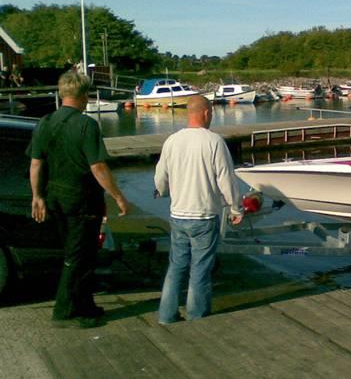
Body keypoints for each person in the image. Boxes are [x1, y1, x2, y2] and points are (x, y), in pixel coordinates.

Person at [28, 70, 129, 328]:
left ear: (62, 94)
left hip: (55, 197)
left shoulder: (45, 122)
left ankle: (86, 305)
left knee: (77, 252)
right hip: (82, 200)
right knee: (78, 257)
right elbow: (98, 167)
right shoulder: (87, 125)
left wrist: (37, 196)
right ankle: (64, 312)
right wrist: (117, 195)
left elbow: (36, 163)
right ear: (84, 96)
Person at [154, 95, 243, 324]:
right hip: (204, 216)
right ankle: (196, 316)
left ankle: (166, 315)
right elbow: (226, 180)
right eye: (211, 113)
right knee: (200, 270)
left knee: (176, 267)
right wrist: (236, 208)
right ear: (205, 113)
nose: (211, 117)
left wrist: (163, 191)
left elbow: (160, 177)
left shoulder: (172, 141)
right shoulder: (213, 141)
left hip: (178, 215)